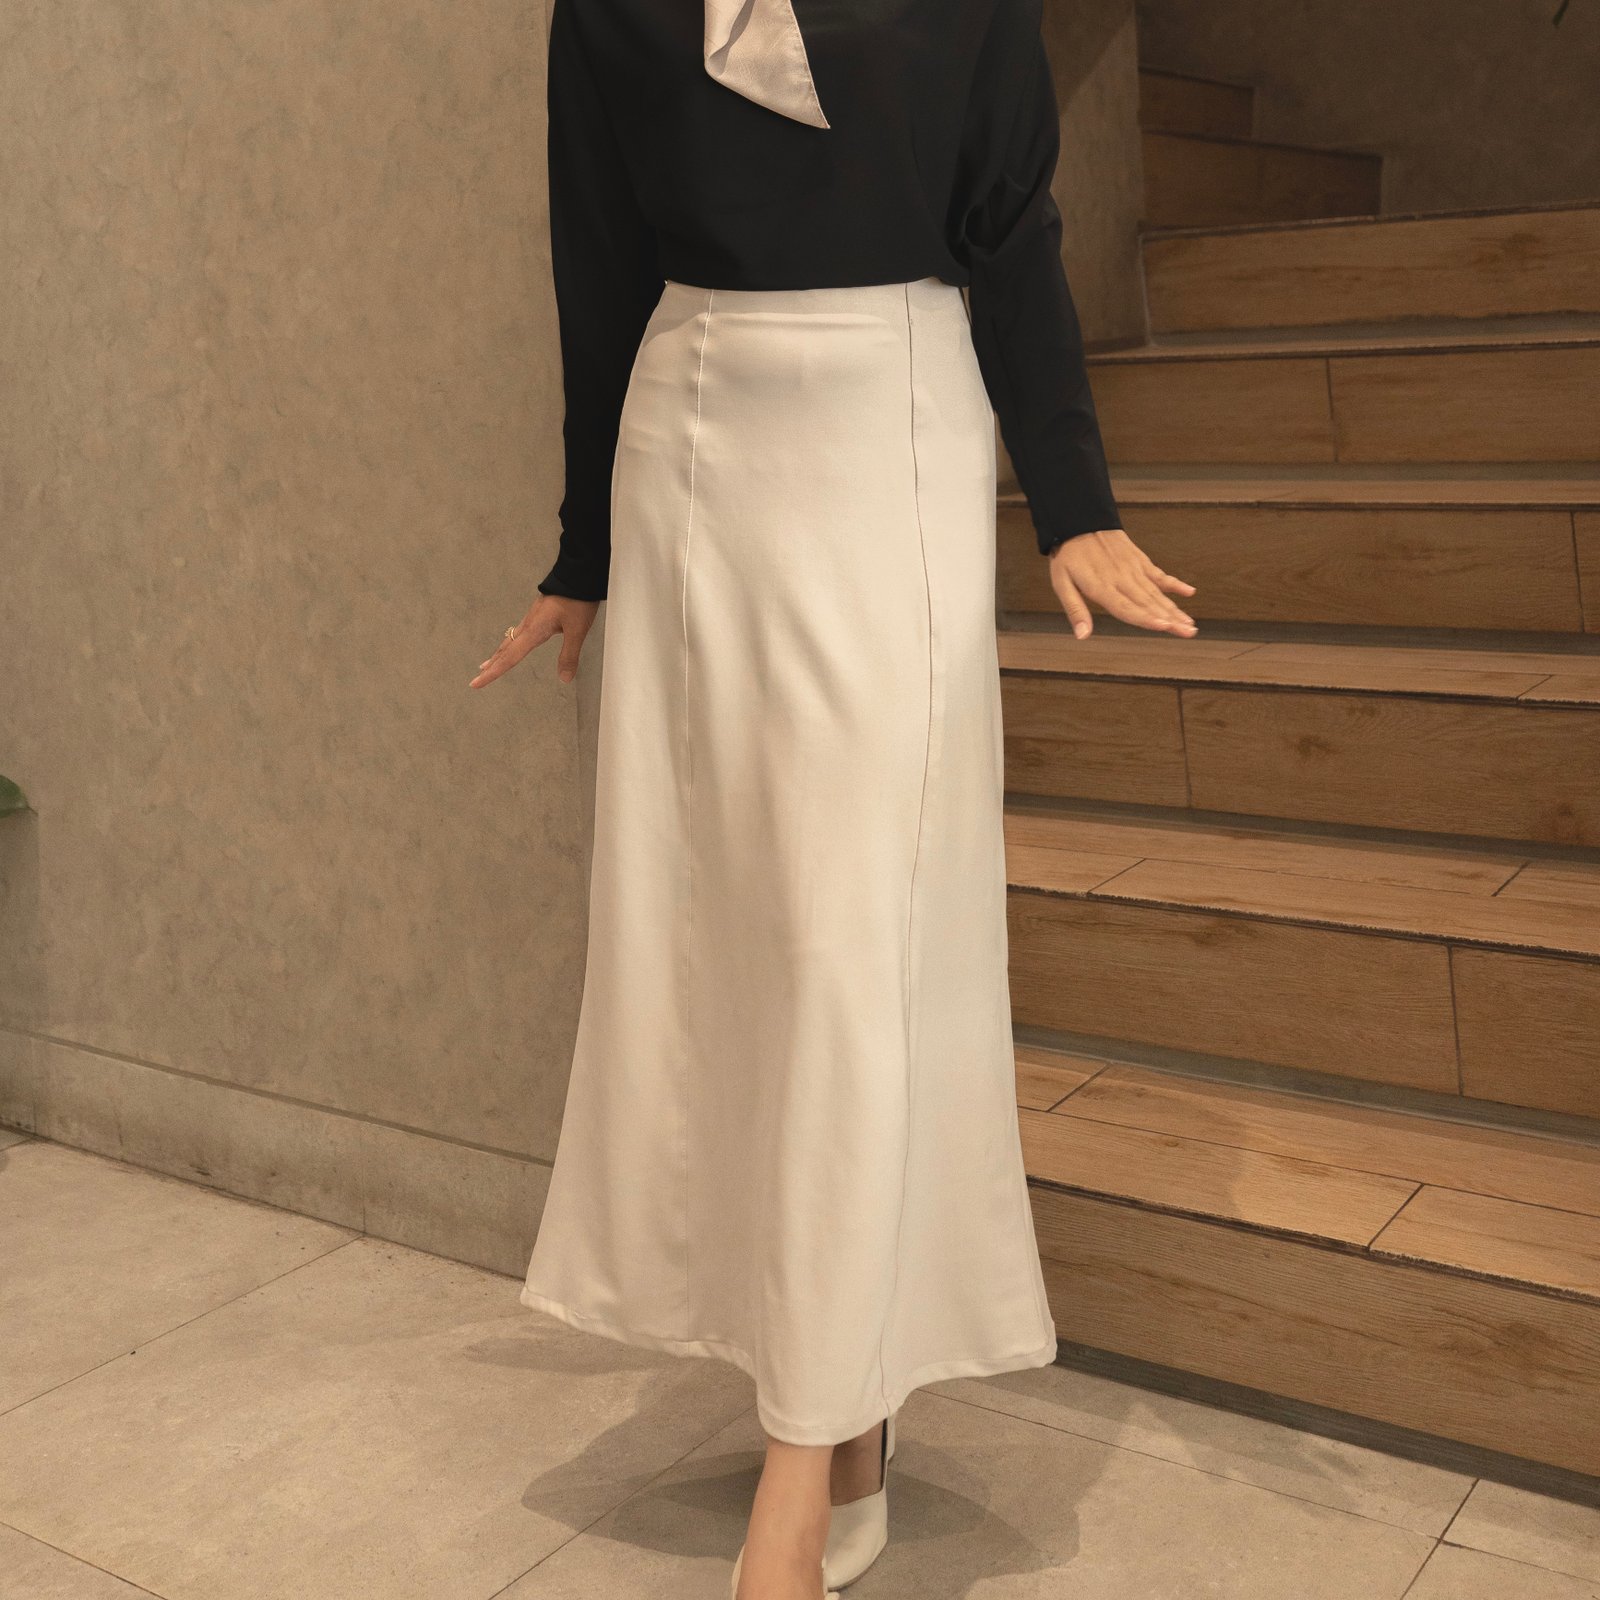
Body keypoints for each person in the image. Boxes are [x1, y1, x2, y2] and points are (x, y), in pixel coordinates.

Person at [471, 2, 1198, 1595]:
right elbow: (597, 259)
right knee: (727, 949)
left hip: (891, 432)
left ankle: (806, 1462)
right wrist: (585, 547)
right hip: (691, 444)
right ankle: (832, 1403)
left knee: (850, 948)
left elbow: (1010, 228)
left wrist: (1073, 500)